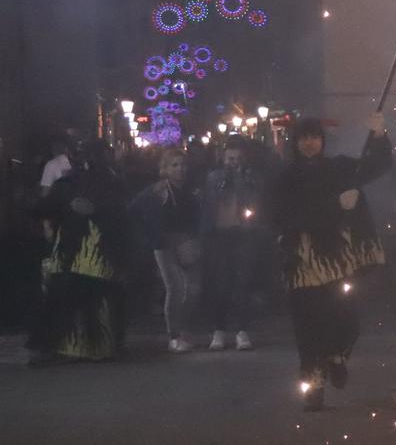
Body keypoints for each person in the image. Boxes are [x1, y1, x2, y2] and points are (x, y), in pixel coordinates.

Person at [268, 114, 391, 410]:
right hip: (302, 264)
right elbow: (286, 217)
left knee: (346, 319)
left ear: (322, 140)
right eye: (303, 138)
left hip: (337, 261)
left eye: (314, 137)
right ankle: (313, 386)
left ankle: (336, 357)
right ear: (295, 143)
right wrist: (335, 205)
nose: (309, 143)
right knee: (308, 329)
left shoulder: (338, 168)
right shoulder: (284, 178)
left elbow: (374, 166)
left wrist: (378, 135)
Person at [30, 139, 129, 362]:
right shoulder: (99, 183)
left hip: (90, 252)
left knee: (73, 298)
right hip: (84, 252)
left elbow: (43, 208)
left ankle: (66, 347)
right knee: (77, 298)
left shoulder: (92, 183)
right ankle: (77, 347)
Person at [129, 147, 202, 352]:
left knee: (194, 288)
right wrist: (149, 236)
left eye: (183, 165)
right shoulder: (157, 191)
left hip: (187, 241)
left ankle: (183, 327)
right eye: (175, 165)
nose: (180, 169)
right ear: (165, 169)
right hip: (164, 244)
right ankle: (174, 335)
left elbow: (197, 216)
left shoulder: (191, 190)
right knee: (176, 287)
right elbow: (134, 210)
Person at [201, 136, 265, 348]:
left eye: (237, 158)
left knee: (242, 283)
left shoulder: (251, 177)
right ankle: (218, 330)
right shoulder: (214, 177)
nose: (233, 162)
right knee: (219, 283)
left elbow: (256, 199)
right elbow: (210, 201)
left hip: (244, 234)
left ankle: (241, 330)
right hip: (219, 235)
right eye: (230, 158)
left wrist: (240, 178)